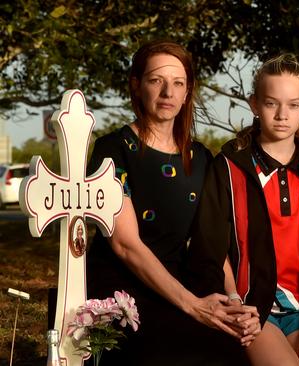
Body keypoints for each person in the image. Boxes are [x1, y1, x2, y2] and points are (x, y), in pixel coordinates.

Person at [86, 40, 259, 365]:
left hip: (185, 281)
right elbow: (126, 245)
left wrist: (233, 300)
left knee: (229, 350)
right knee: (177, 352)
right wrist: (193, 306)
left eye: (178, 83)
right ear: (136, 86)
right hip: (125, 289)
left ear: (187, 91)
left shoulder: (202, 158)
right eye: (156, 80)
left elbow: (212, 245)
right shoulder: (112, 151)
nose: (168, 92)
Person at [186, 54, 299, 366]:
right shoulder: (229, 167)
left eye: (292, 104)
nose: (281, 114)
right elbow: (211, 247)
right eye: (271, 103)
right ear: (254, 104)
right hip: (253, 310)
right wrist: (233, 302)